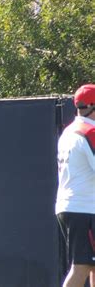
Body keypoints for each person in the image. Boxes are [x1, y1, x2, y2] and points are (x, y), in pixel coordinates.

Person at [56, 84, 95, 287]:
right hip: (84, 209)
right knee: (81, 267)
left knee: (91, 265)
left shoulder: (69, 131)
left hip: (74, 206)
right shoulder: (89, 131)